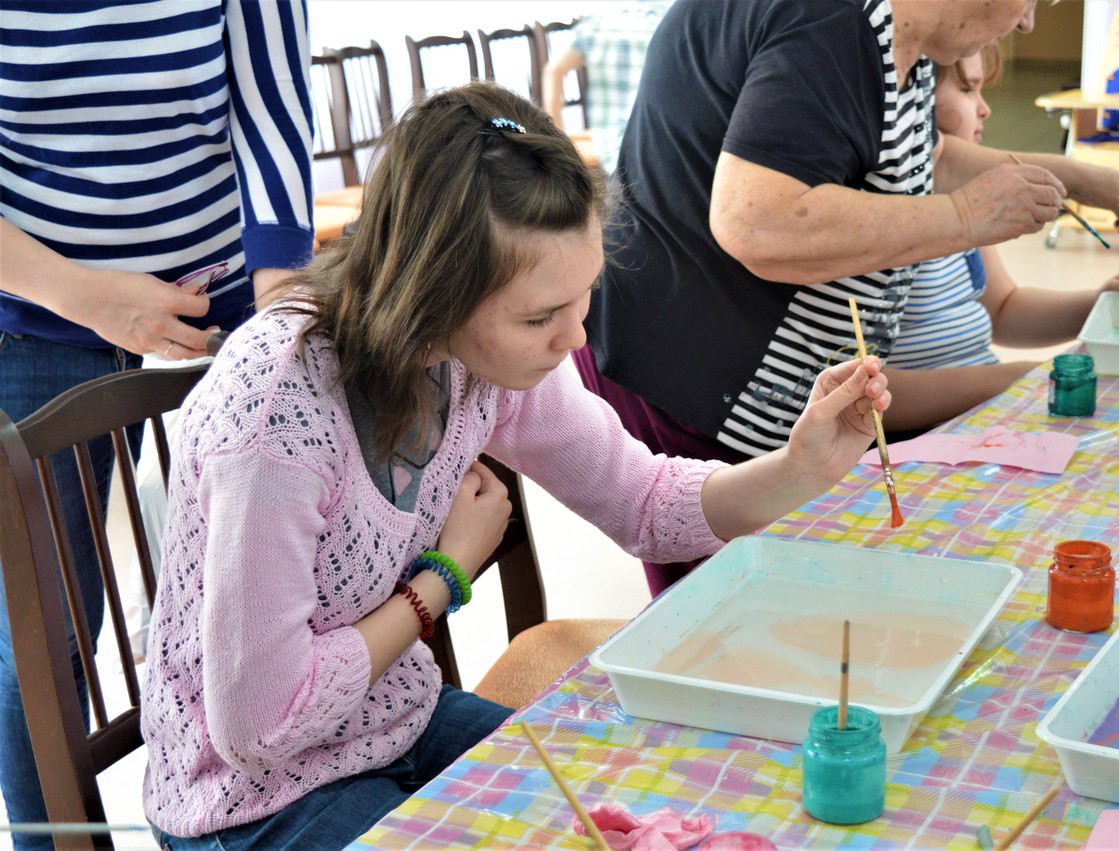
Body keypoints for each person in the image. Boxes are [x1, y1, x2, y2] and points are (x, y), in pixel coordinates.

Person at [139, 81, 891, 849]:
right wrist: (441, 579)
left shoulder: (476, 362)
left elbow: (642, 502)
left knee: (646, 806)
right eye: (539, 317)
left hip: (394, 723)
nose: (575, 338)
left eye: (583, 296)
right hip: (251, 801)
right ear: (433, 293)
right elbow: (260, 727)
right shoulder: (276, 414)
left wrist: (797, 469)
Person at [574, 0, 1119, 596]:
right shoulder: (830, 19)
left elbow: (923, 157)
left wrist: (1075, 177)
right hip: (694, 373)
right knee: (737, 609)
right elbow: (756, 222)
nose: (1029, 22)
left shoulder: (899, 37)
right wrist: (964, 217)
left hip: (760, 382)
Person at [0, 1, 313, 843]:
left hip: (232, 297)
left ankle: (281, 810)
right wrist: (88, 297)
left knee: (283, 580)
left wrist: (281, 320)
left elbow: (273, 112)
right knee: (41, 636)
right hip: (37, 309)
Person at [887, 43, 1119, 432]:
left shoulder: (969, 201)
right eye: (968, 89)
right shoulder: (878, 219)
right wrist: (1008, 381)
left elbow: (1002, 310)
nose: (984, 109)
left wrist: (1101, 303)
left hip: (981, 420)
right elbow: (859, 393)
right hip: (917, 440)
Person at [541, 1, 673, 176]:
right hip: (659, 144)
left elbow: (554, 71)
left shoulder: (597, 23)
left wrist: (558, 138)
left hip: (609, 148)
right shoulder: (672, 19)